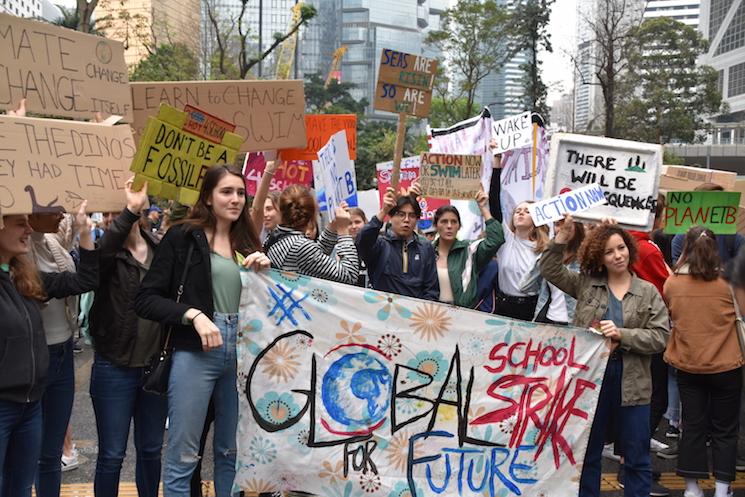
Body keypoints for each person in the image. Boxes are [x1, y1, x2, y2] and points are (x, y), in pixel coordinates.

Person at [135, 166, 270, 497]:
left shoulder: (247, 240)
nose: (235, 199)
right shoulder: (183, 237)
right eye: (226, 192)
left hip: (242, 353)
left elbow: (262, 304)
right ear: (208, 197)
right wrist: (192, 315)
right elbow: (146, 299)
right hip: (196, 352)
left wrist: (265, 274)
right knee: (183, 455)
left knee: (231, 452)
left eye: (240, 192)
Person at [540, 216, 669, 497]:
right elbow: (549, 268)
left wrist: (623, 335)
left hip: (633, 381)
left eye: (621, 247)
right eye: (609, 251)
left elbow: (661, 337)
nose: (618, 255)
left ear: (630, 248)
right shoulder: (587, 284)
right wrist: (562, 238)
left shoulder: (647, 292)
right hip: (591, 380)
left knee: (636, 455)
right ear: (600, 256)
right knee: (588, 452)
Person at [0, 203, 98, 497]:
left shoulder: (23, 275)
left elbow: (83, 280)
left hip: (31, 395)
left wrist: (84, 233)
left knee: (32, 470)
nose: (28, 228)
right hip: (8, 399)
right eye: (20, 223)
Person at [88, 179, 168, 497]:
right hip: (113, 367)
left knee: (150, 451)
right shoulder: (104, 255)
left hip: (154, 369)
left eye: (114, 213)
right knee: (111, 455)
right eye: (109, 214)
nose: (111, 220)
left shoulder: (161, 250)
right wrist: (129, 210)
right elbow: (103, 252)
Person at [664, 226, 743, 497]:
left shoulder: (672, 283)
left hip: (688, 365)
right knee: (725, 430)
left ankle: (691, 488)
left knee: (693, 427)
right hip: (727, 365)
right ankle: (722, 488)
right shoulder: (730, 283)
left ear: (685, 249)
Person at [27, 210, 88, 497]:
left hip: (63, 353)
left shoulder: (54, 243)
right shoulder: (14, 251)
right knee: (22, 453)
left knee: (51, 453)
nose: (61, 213)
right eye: (53, 207)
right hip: (30, 358)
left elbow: (82, 278)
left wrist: (84, 232)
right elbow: (69, 284)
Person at [265, 185, 358, 284]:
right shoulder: (299, 246)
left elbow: (314, 258)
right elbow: (350, 275)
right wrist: (343, 231)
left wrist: (333, 226)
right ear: (313, 214)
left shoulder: (277, 236)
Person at [358, 188, 439, 301]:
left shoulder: (425, 248)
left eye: (411, 215)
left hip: (416, 315)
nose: (406, 220)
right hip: (383, 313)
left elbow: (431, 289)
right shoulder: (380, 245)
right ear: (391, 217)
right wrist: (383, 211)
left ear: (417, 219)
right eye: (401, 214)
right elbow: (362, 240)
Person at [432, 189, 504, 307]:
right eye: (444, 222)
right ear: (436, 225)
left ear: (459, 226)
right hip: (432, 315)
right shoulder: (426, 251)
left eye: (454, 222)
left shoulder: (470, 250)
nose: (449, 226)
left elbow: (496, 239)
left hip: (464, 316)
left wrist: (483, 208)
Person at [493, 201, 549, 320]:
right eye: (517, 211)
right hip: (503, 305)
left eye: (527, 211)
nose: (521, 213)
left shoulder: (544, 249)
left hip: (530, 307)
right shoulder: (506, 239)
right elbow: (495, 208)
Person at [534, 220, 584, 325]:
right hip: (548, 320)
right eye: (557, 224)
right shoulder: (549, 258)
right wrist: (546, 254)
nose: (562, 228)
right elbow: (524, 286)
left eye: (567, 225)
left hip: (574, 324)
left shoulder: (585, 259)